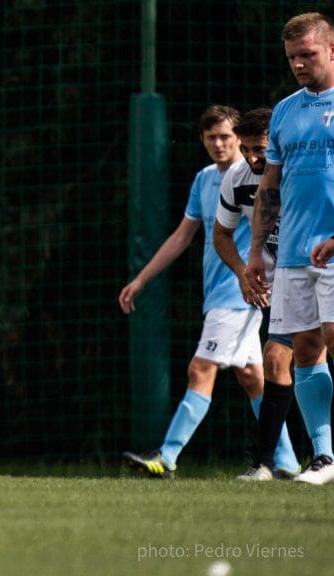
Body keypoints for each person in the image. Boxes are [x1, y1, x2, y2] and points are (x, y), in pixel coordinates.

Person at [119, 105, 293, 479]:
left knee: (201, 368)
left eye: (226, 136)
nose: (219, 143)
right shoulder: (204, 180)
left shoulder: (257, 178)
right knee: (252, 377)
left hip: (241, 291)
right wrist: (142, 278)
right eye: (211, 137)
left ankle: (166, 457)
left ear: (239, 138)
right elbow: (184, 235)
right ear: (201, 140)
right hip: (215, 292)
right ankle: (286, 461)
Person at [246, 12, 334, 486]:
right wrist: (258, 252)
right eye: (292, 58)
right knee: (304, 349)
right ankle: (325, 458)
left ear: (331, 50)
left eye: (308, 55)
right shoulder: (284, 110)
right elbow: (270, 188)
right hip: (295, 255)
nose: (299, 64)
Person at [211, 107, 300, 480]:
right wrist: (243, 275)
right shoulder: (237, 176)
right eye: (246, 148)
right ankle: (264, 464)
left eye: (259, 148)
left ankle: (319, 454)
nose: (252, 157)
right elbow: (221, 234)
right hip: (283, 284)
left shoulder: (301, 170)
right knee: (276, 359)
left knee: (316, 359)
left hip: (321, 273)